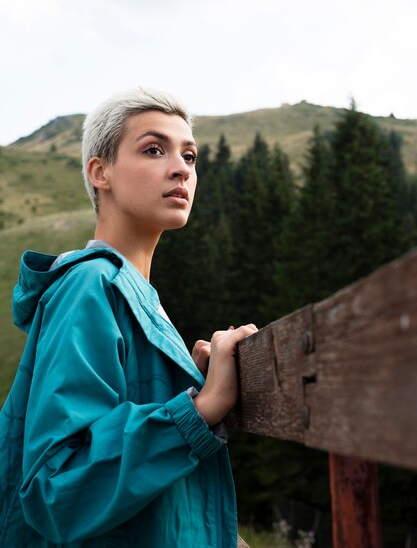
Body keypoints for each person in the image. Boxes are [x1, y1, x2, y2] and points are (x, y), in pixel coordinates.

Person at [0, 86, 257, 548]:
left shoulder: (138, 298)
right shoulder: (89, 286)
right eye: (154, 149)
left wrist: (185, 387)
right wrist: (199, 410)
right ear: (100, 172)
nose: (182, 168)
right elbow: (55, 490)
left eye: (191, 156)